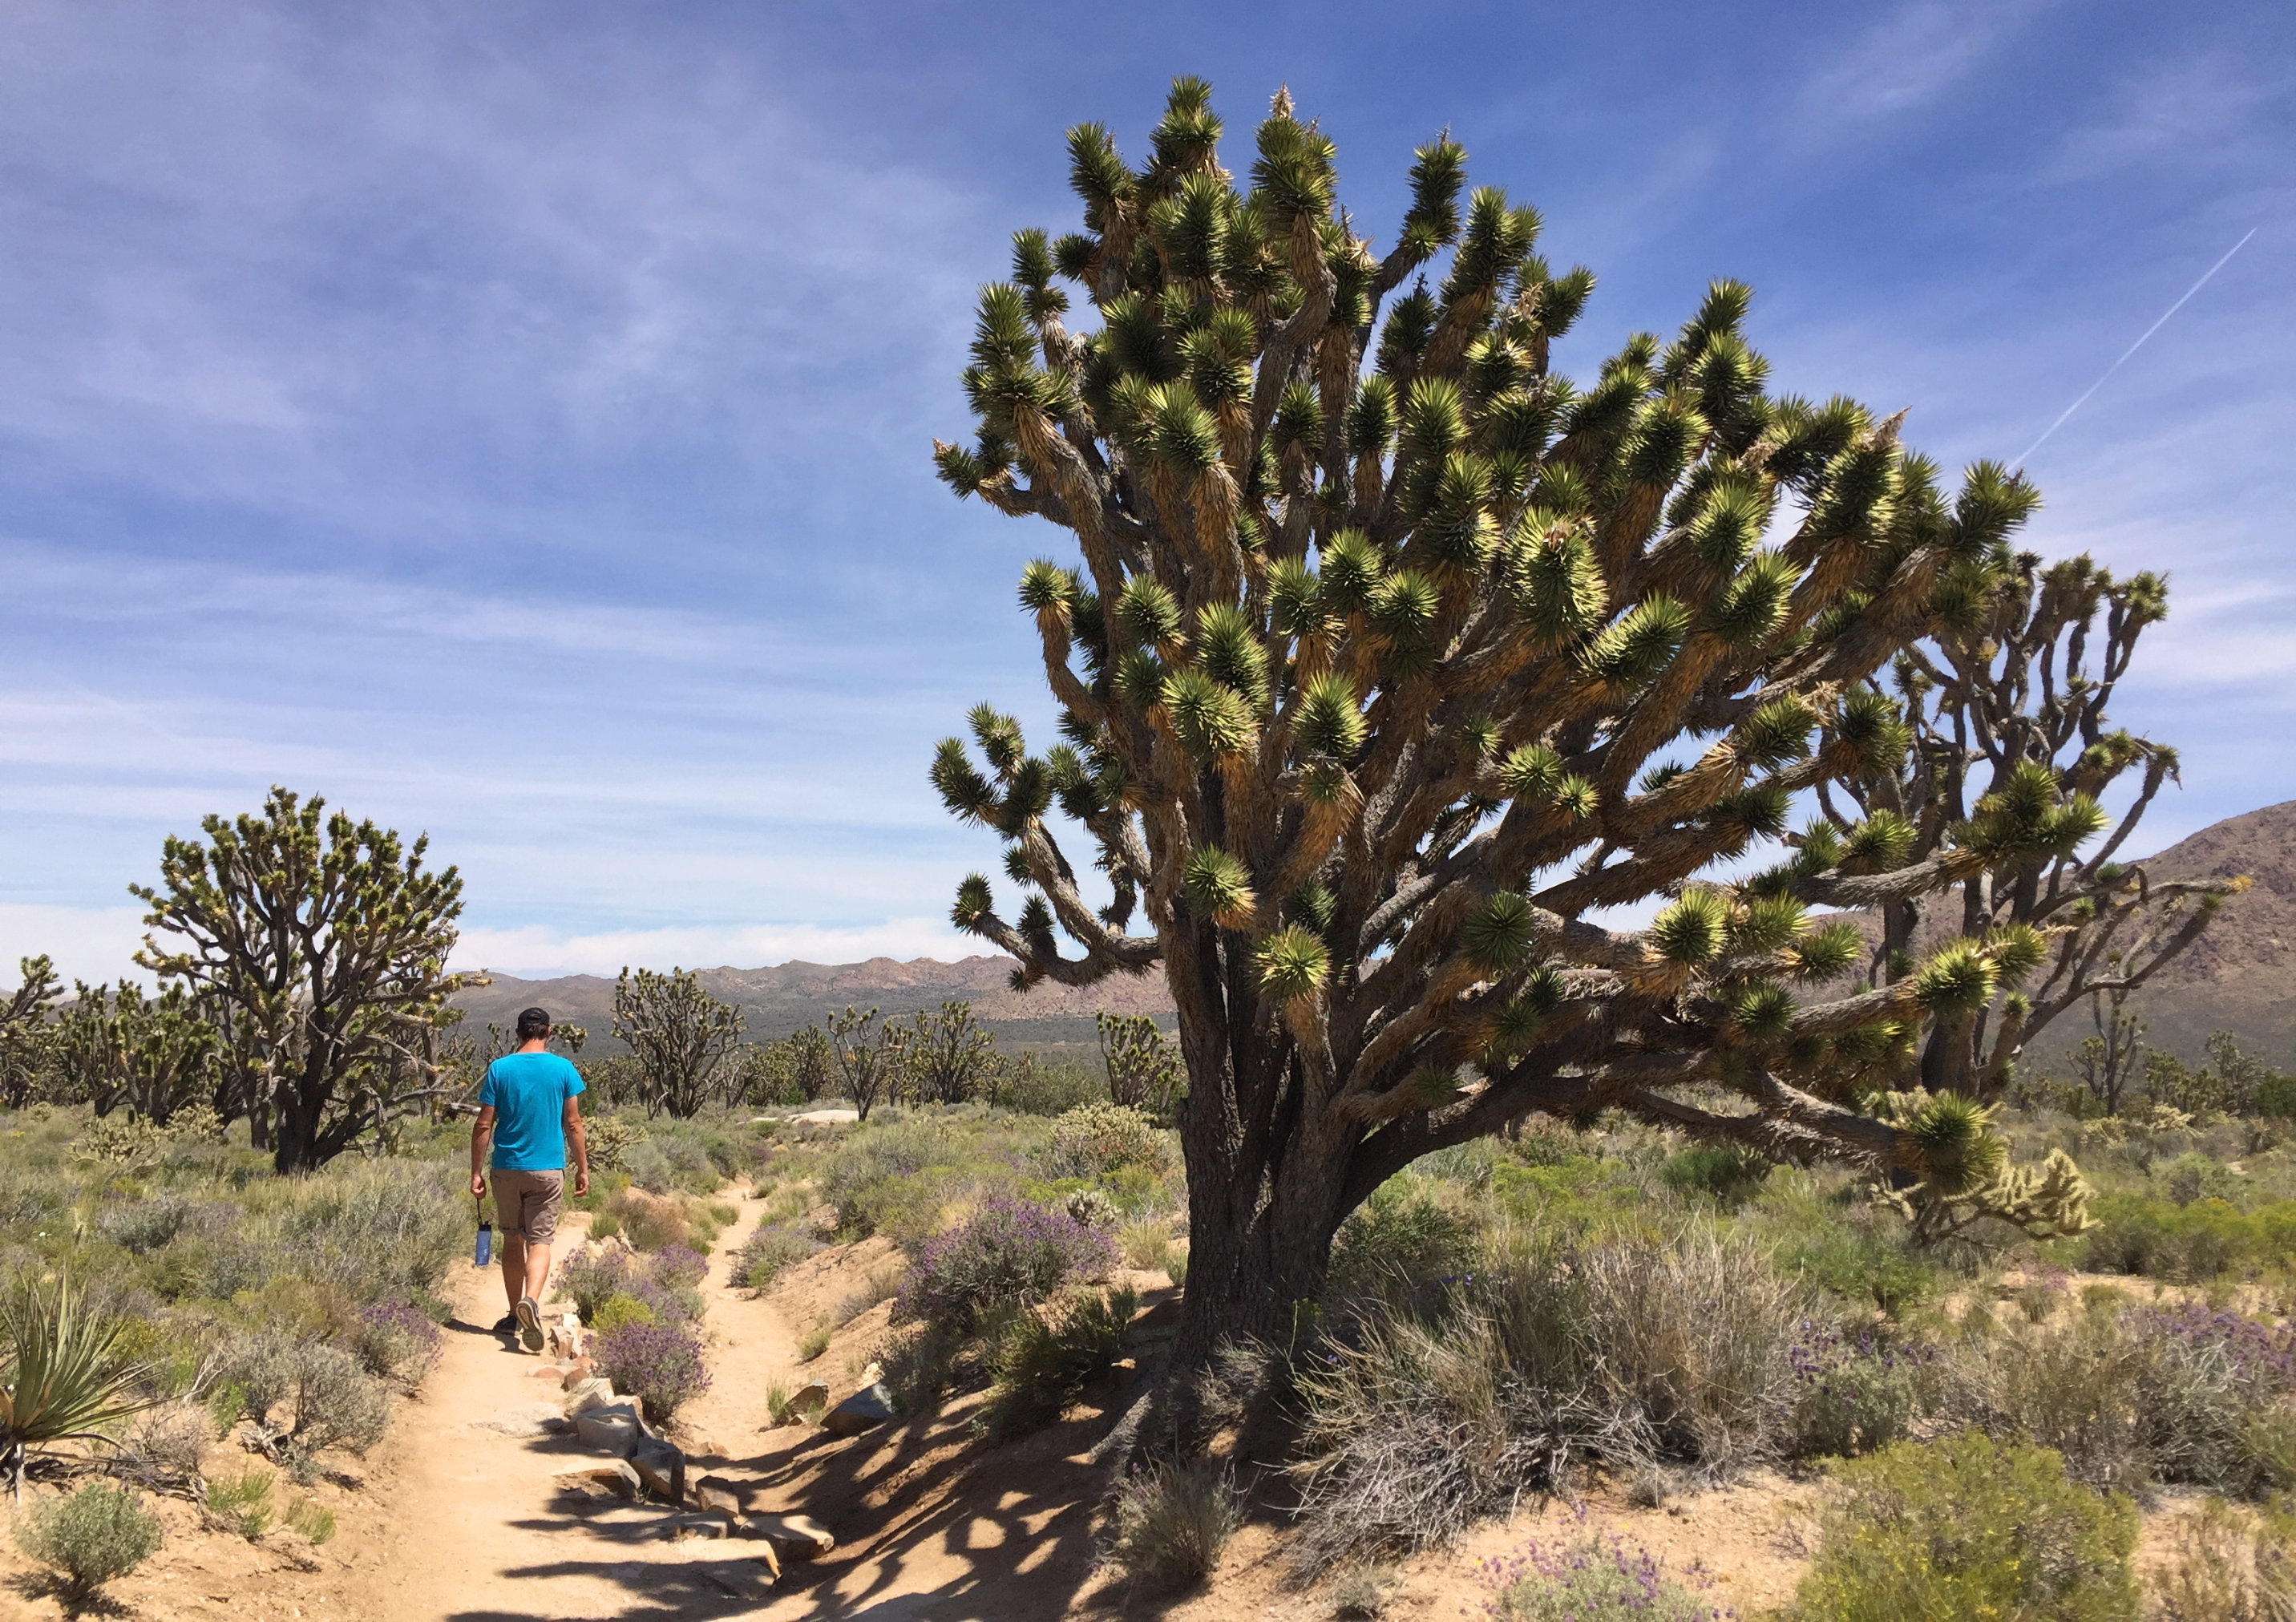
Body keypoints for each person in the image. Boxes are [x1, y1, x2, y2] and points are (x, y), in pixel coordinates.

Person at [470, 1006, 590, 1351]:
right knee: (540, 1241)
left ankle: (513, 1314)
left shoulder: (500, 1069)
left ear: (518, 1032)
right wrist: (582, 1168)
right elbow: (573, 1123)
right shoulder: (563, 1069)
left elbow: (483, 1124)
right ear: (548, 1031)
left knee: (512, 1240)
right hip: (547, 1169)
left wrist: (476, 1172)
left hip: (507, 1167)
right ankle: (532, 1303)